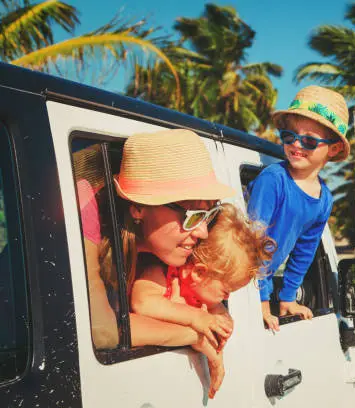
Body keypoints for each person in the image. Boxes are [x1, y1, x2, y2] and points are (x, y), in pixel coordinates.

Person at [75, 128, 235, 398]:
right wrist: (192, 334)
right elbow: (102, 330)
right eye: (192, 215)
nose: (203, 232)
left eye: (209, 215)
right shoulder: (83, 205)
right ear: (137, 207)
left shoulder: (163, 253)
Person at [247, 86, 350, 331]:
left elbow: (305, 250)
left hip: (260, 280)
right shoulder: (274, 179)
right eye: (289, 136)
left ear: (333, 148)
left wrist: (288, 297)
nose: (296, 144)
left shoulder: (324, 199)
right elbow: (251, 241)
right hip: (242, 279)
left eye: (309, 141)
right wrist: (260, 300)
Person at [130, 203, 275, 368]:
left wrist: (223, 327)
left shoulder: (203, 296)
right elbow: (143, 303)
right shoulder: (164, 274)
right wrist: (196, 317)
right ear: (199, 273)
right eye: (226, 291)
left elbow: (221, 317)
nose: (227, 298)